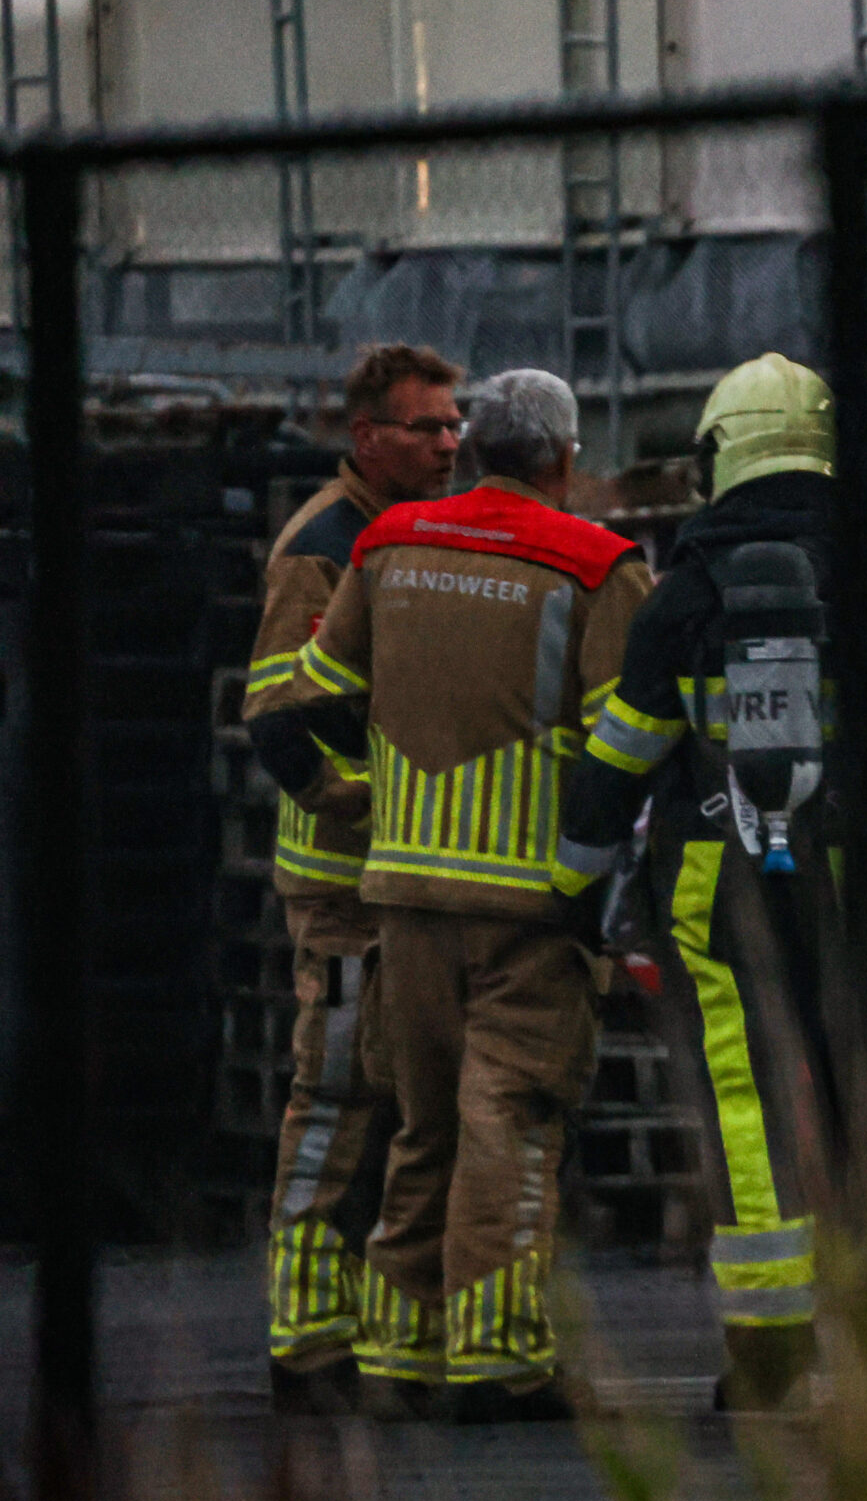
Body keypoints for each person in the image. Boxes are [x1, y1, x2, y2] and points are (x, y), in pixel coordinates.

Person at [552, 353, 867, 1410]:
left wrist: (571, 891)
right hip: (852, 884)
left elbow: (620, 764)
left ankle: (770, 1361)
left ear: (722, 456)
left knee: (745, 1100)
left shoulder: (681, 594)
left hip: (711, 885)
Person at [251, 370, 651, 1423]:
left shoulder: (385, 551)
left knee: (421, 1126)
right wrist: (600, 883)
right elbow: (629, 748)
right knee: (509, 1125)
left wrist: (356, 798)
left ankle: (395, 1352)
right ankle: (500, 1359)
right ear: (562, 458)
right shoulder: (598, 567)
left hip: (399, 894)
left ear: (473, 448)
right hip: (530, 903)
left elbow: (297, 709)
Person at [245, 342, 465, 1415]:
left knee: (403, 1104)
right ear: (366, 435)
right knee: (334, 1102)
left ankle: (372, 1325)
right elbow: (276, 717)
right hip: (343, 893)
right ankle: (305, 1334)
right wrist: (366, 795)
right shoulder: (321, 548)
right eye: (425, 427)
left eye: (453, 423)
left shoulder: (408, 538)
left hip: (405, 887)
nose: (447, 442)